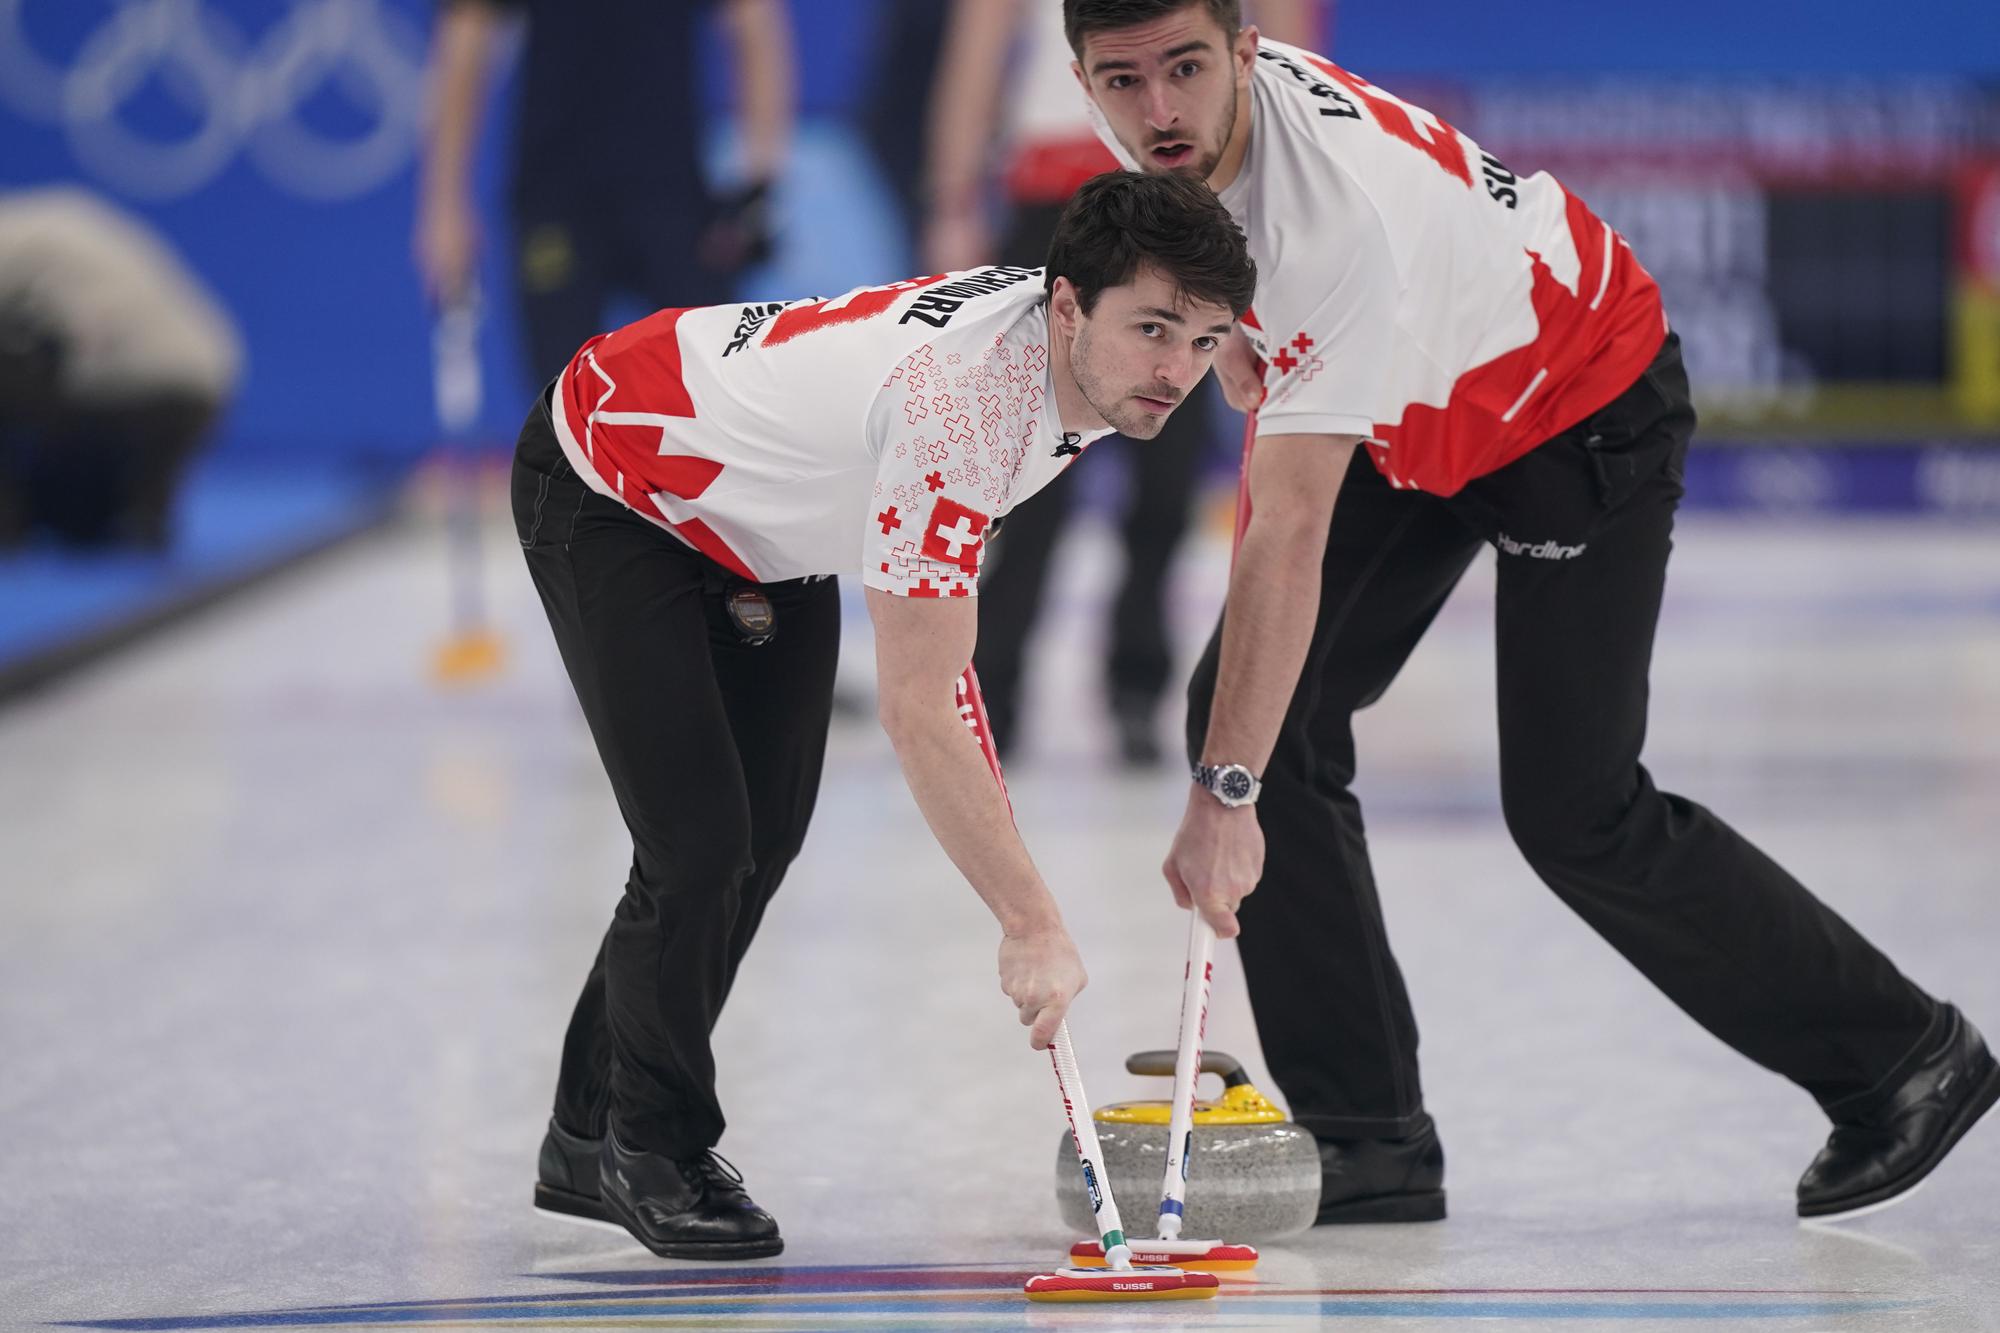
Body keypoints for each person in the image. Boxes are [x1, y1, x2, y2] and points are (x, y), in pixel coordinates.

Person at [1064, 0, 1999, 1224]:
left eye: (1183, 68)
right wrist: (1243, 325)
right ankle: (1368, 1139)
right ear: (1080, 78)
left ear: (1246, 50)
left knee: (1573, 809)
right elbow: (1242, 259)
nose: (1155, 111)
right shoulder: (1191, 137)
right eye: (1120, 82)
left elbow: (1282, 534)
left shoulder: (1325, 212)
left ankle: (1904, 1057)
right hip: (1424, 404)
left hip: (1577, 400)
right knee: (1251, 713)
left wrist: (1222, 801)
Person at [512, 171, 1255, 1260]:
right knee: (699, 843)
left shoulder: (1092, 355)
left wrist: (1244, 344)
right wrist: (1029, 921)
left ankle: (588, 1135)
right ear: (1065, 306)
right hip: (618, 478)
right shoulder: (963, 408)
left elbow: (943, 674)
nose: (1176, 372)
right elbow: (921, 704)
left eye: (1203, 341)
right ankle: (653, 1147)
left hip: (768, 526)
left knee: (760, 836)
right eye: (1153, 331)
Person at [921, 0, 1314, 765]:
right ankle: (994, 686)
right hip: (1052, 199)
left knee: (1167, 474)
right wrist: (953, 200)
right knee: (1032, 473)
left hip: (1184, 191)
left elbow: (1285, 54)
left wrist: (1276, 203)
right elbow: (977, 49)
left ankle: (1137, 684)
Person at [415, 0, 794, 383]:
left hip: (673, 200)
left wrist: (759, 187)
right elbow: (465, 40)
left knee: (712, 389)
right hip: (554, 201)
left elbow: (753, 22)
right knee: (561, 397)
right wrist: (443, 206)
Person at [0, 187, 240, 549]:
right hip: (203, 389)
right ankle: (133, 507)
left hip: (126, 392)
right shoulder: (62, 212)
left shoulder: (17, 237)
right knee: (72, 522)